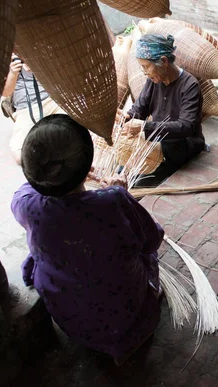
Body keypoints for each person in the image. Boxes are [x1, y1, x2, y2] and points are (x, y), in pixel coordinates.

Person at [11, 114, 163, 365]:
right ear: (87, 164)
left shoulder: (27, 205)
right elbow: (152, 240)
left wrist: (54, 178)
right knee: (145, 255)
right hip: (124, 312)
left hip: (71, 319)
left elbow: (27, 188)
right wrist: (124, 194)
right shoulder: (112, 201)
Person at [118, 34, 205, 186]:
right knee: (121, 167)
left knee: (138, 181)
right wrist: (126, 117)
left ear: (164, 61)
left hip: (182, 145)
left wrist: (144, 127)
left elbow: (186, 127)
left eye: (146, 66)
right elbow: (140, 108)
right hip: (159, 140)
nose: (144, 72)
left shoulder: (190, 86)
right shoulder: (154, 79)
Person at [2, 54, 66, 165]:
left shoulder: (35, 46)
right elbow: (5, 92)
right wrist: (13, 73)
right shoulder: (1, 56)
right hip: (25, 109)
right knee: (20, 156)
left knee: (76, 131)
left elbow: (60, 73)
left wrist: (37, 67)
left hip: (51, 100)